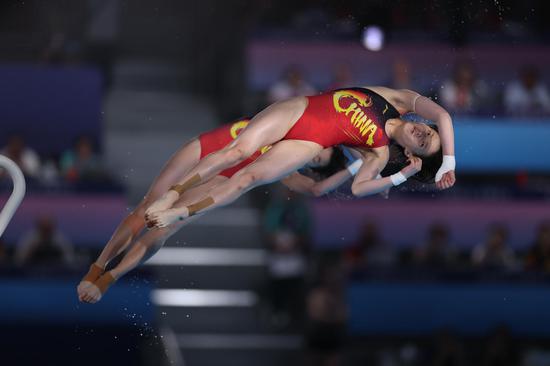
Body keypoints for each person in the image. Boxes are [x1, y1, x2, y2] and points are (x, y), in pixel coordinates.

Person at [77, 119, 359, 303]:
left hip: (224, 174)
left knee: (162, 226)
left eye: (317, 160)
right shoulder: (295, 117)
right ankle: (98, 267)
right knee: (146, 206)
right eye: (320, 152)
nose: (314, 154)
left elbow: (315, 189)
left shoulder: (288, 163)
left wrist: (356, 168)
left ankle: (111, 278)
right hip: (210, 146)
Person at [145, 86, 456, 229]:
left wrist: (401, 176)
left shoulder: (379, 152)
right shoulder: (397, 98)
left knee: (247, 178)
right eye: (429, 132)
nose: (426, 135)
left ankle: (181, 211)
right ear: (422, 122)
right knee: (236, 152)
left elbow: (360, 189)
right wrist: (448, 162)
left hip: (310, 142)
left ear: (411, 153)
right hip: (299, 109)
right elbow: (443, 115)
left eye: (426, 144)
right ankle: (171, 194)